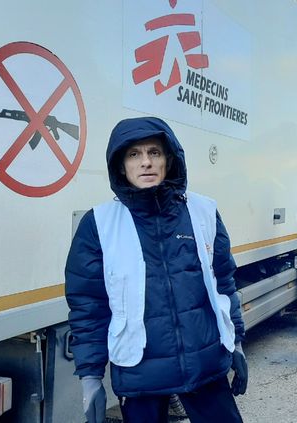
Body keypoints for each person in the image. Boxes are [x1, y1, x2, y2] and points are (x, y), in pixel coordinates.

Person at [64, 117, 247, 423]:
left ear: (169, 160)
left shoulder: (204, 212)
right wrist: (90, 376)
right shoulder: (99, 225)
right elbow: (88, 307)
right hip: (139, 373)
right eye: (134, 155)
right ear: (121, 166)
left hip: (204, 363)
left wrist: (237, 340)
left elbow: (224, 284)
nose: (145, 162)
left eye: (154, 153)